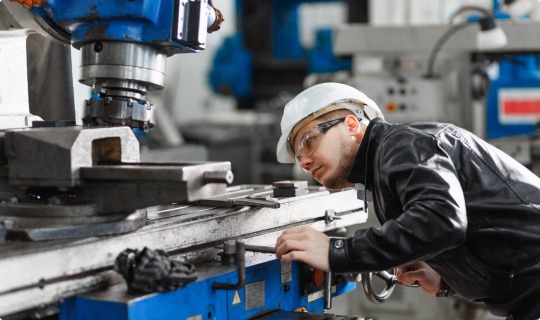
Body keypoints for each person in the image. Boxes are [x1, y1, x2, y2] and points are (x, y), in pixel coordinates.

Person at [274, 82, 540, 320]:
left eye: (309, 141)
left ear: (352, 125)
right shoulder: (381, 172)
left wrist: (338, 251)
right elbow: (466, 228)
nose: (305, 161)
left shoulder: (402, 145)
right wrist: (448, 275)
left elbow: (442, 221)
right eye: (298, 156)